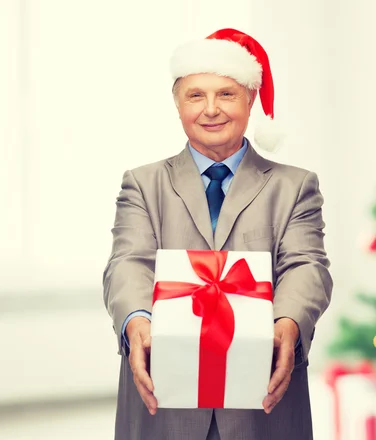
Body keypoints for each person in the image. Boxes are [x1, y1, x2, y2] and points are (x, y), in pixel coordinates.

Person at [102, 28, 333, 440]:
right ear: (177, 104)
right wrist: (136, 321)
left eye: (226, 94)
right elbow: (127, 262)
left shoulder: (294, 186)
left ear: (250, 100)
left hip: (261, 405)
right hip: (165, 404)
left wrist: (289, 321)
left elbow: (307, 266)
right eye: (196, 95)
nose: (211, 109)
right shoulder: (143, 183)